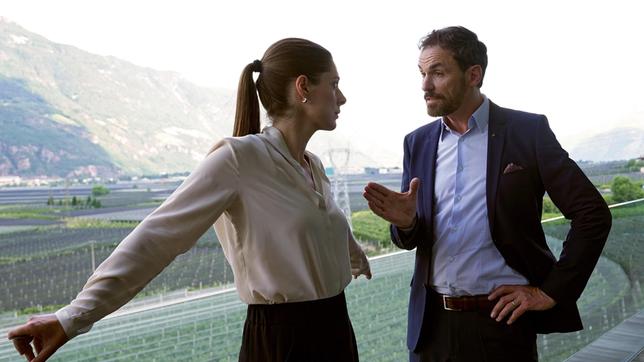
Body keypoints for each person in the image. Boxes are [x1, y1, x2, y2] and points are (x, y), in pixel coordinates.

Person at [7, 38, 372, 362]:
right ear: (303, 87)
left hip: (336, 331)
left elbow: (324, 223)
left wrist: (356, 256)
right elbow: (157, 237)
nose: (341, 97)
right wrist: (71, 318)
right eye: (334, 84)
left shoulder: (315, 167)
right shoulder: (238, 159)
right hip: (283, 341)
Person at [363, 26, 611, 361]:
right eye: (422, 74)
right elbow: (410, 237)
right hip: (431, 329)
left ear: (473, 74)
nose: (425, 86)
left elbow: (592, 213)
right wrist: (406, 223)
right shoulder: (417, 143)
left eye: (437, 72)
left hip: (502, 325)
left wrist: (551, 291)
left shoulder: (527, 132)